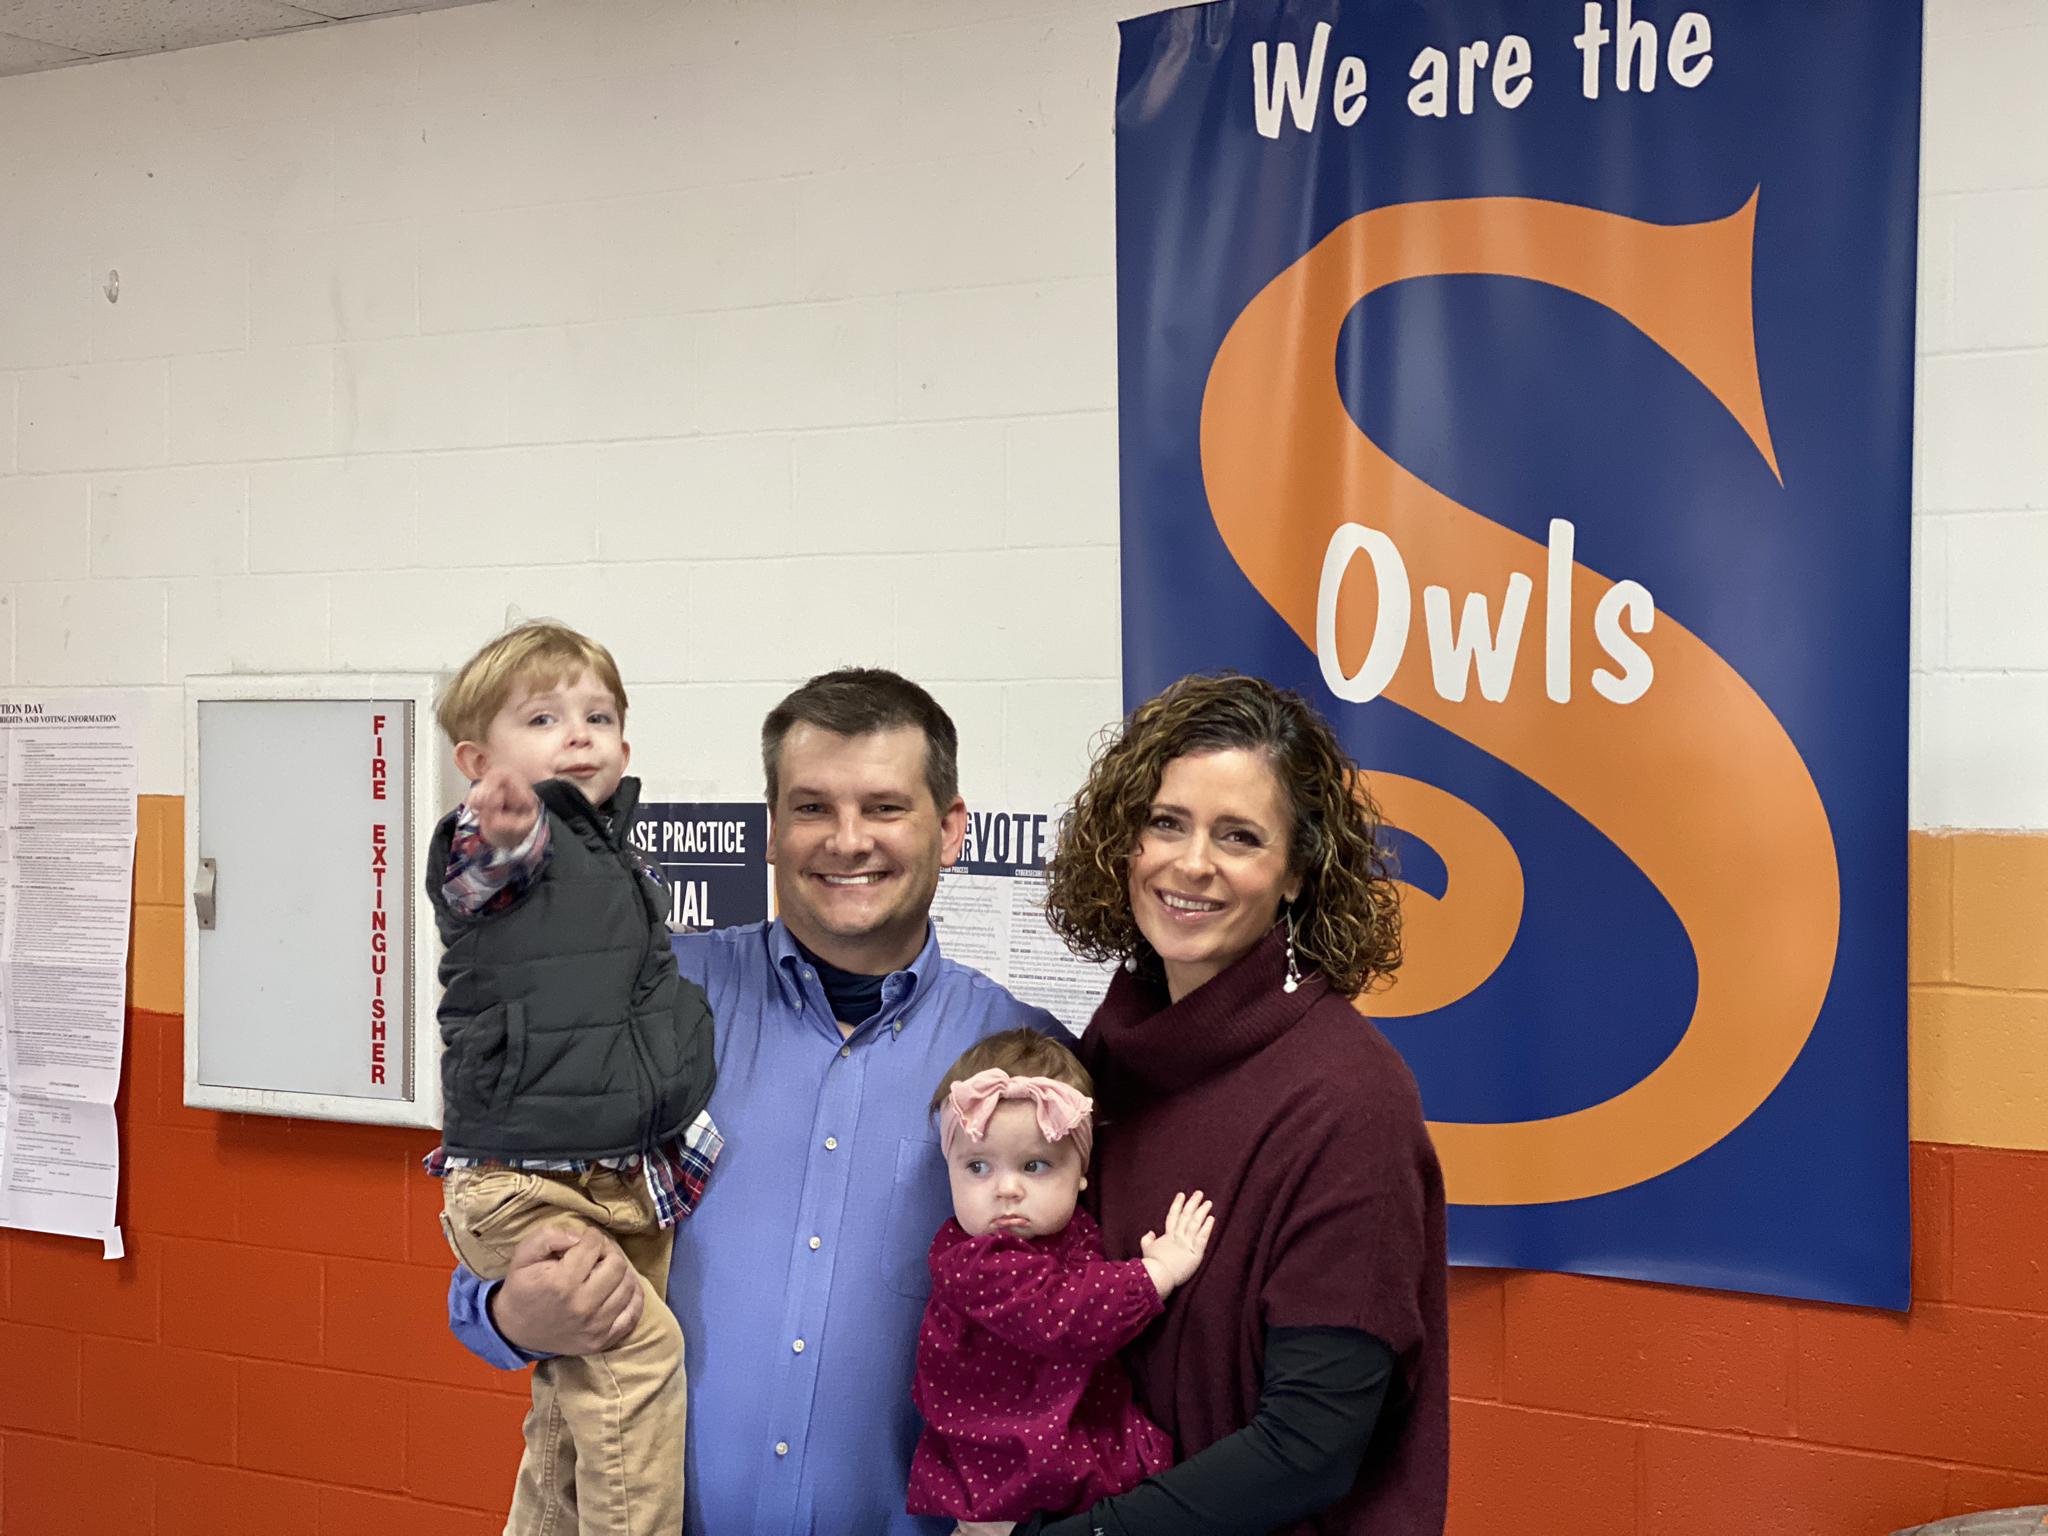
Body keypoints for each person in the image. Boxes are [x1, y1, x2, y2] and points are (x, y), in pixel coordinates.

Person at [448, 667, 1062, 1535]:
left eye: (885, 807)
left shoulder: (1026, 1061)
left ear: (950, 829)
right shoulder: (650, 999)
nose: (847, 840)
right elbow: (502, 1227)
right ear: (771, 828)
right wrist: (512, 1315)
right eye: (811, 807)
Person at [1025, 671, 1448, 1535]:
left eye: (1240, 836)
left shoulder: (1349, 1099)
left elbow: (1310, 1444)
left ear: (1295, 874)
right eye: (1166, 823)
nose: (1191, 864)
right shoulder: (1113, 1052)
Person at [424, 620, 720, 1536]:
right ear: (479, 762)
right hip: (525, 1180)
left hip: (603, 1174)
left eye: (598, 716)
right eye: (544, 718)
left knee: (572, 1399)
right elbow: (478, 872)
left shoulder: (613, 857)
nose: (579, 735)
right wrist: (498, 826)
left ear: (626, 746)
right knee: (638, 1357)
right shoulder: (511, 850)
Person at [908, 1029, 1213, 1528]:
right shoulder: (975, 1262)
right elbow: (1064, 1315)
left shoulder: (1073, 1232)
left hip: (1061, 1477)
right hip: (1002, 1499)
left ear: (1081, 1172)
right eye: (978, 1167)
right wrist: (1156, 1272)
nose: (1007, 1189)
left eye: (1035, 1165)